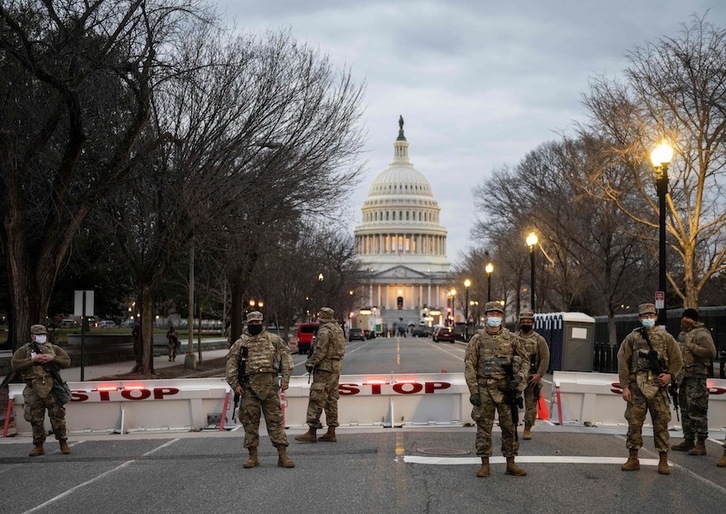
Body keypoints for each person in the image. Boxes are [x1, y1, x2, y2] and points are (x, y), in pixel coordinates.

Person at [464, 301, 528, 477]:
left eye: (497, 314)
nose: (494, 317)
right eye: (491, 314)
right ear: (486, 316)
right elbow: (469, 365)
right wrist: (474, 391)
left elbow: (525, 361)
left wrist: (519, 379)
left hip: (506, 389)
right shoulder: (477, 339)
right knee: (484, 427)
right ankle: (485, 464)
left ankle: (511, 462)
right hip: (485, 389)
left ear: (502, 317)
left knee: (510, 427)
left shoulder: (512, 338)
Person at [617, 303, 682, 475]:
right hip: (636, 387)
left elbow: (677, 360)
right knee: (634, 423)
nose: (648, 319)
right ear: (639, 318)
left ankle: (663, 459)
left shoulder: (666, 338)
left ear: (656, 317)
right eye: (645, 316)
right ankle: (633, 458)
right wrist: (625, 387)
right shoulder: (632, 338)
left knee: (661, 423)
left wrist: (670, 376)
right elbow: (623, 362)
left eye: (651, 315)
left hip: (658, 387)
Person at [226, 311, 294, 468]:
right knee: (249, 422)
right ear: (247, 323)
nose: (255, 325)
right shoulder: (241, 343)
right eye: (252, 323)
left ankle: (282, 455)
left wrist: (285, 379)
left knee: (276, 421)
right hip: (249, 388)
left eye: (258, 323)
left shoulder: (273, 340)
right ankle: (252, 456)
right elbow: (231, 365)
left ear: (262, 322)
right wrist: (235, 384)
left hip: (270, 387)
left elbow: (286, 359)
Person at [10, 324, 72, 457]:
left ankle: (63, 442)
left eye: (43, 335)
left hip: (52, 388)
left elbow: (67, 361)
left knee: (57, 417)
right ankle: (38, 445)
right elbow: (15, 365)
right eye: (39, 335)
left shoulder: (53, 349)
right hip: (33, 389)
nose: (41, 337)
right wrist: (32, 360)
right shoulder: (24, 350)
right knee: (35, 418)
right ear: (32, 336)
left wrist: (52, 358)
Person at [295, 307, 346, 443]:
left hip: (324, 369)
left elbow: (320, 351)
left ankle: (312, 430)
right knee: (331, 398)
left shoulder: (324, 331)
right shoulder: (338, 329)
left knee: (317, 398)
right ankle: (331, 430)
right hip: (335, 368)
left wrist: (310, 363)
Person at [670, 308, 716, 456]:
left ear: (693, 319)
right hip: (683, 377)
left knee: (697, 410)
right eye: (683, 317)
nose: (684, 320)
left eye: (687, 318)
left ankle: (701, 443)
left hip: (696, 378)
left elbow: (711, 353)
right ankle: (688, 439)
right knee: (685, 410)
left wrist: (692, 346)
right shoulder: (682, 334)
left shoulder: (702, 334)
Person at [517, 310, 550, 440]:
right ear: (520, 323)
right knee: (511, 403)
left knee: (531, 405)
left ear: (533, 323)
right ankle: (512, 428)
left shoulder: (539, 339)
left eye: (529, 321)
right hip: (517, 377)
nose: (526, 323)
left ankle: (527, 428)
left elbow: (545, 358)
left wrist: (539, 374)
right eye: (524, 321)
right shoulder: (514, 338)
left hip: (532, 377)